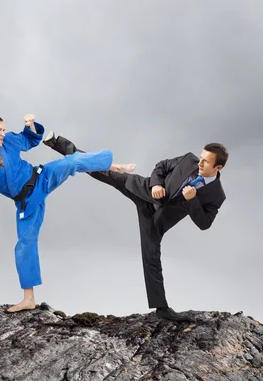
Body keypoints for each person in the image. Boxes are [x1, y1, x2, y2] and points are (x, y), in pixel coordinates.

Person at [0, 114, 136, 313]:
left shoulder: (10, 141)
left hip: (41, 177)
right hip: (27, 203)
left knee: (70, 162)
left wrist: (30, 126)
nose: (3, 134)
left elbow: (30, 139)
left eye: (4, 130)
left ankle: (113, 165)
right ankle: (28, 299)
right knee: (24, 245)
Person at [42, 131, 228, 321]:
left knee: (151, 257)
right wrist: (156, 185)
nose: (200, 163)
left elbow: (205, 223)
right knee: (103, 172)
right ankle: (57, 143)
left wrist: (193, 201)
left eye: (206, 161)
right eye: (201, 157)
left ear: (218, 167)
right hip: (144, 190)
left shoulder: (216, 195)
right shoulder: (189, 159)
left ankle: (162, 309)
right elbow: (161, 167)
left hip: (156, 219)